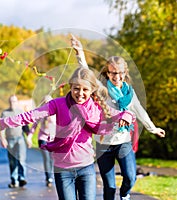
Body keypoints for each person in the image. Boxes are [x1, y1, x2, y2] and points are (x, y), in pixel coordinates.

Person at [0, 67, 136, 200]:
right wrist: (5, 122)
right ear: (70, 87)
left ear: (92, 90)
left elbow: (126, 113)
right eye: (76, 88)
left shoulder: (97, 107)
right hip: (63, 170)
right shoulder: (58, 104)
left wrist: (126, 117)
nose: (80, 93)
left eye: (85, 89)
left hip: (86, 168)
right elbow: (31, 115)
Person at [71, 35, 166, 200]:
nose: (117, 77)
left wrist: (153, 128)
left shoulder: (129, 92)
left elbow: (139, 111)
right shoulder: (101, 88)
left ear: (125, 72)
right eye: (113, 73)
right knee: (109, 186)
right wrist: (80, 53)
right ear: (108, 73)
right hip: (103, 144)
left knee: (130, 177)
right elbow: (86, 71)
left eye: (121, 73)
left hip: (123, 141)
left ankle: (125, 195)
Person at [0, 95, 30, 188]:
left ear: (17, 102)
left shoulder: (21, 112)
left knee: (21, 159)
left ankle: (22, 178)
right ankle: (14, 180)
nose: (13, 103)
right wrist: (2, 139)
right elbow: (1, 128)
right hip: (9, 139)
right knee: (12, 161)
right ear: (9, 102)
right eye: (11, 101)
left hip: (20, 138)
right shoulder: (5, 113)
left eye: (14, 101)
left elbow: (25, 127)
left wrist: (29, 138)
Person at [26, 95, 56, 187]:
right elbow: (34, 126)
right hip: (42, 139)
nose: (47, 104)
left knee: (52, 159)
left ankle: (50, 174)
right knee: (46, 158)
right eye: (46, 102)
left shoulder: (56, 113)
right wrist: (29, 137)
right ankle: (49, 178)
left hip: (53, 140)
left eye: (49, 102)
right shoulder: (40, 114)